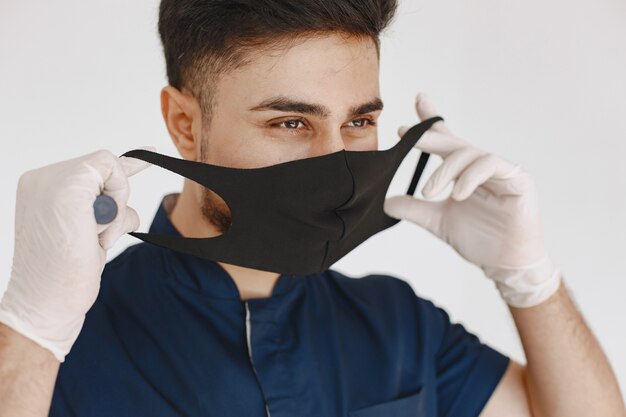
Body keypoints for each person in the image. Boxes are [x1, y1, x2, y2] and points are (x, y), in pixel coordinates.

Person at [0, 0, 624, 416]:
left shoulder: (398, 325)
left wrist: (529, 279)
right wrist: (30, 332)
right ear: (184, 124)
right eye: (292, 121)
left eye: (358, 121)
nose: (336, 167)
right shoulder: (58, 342)